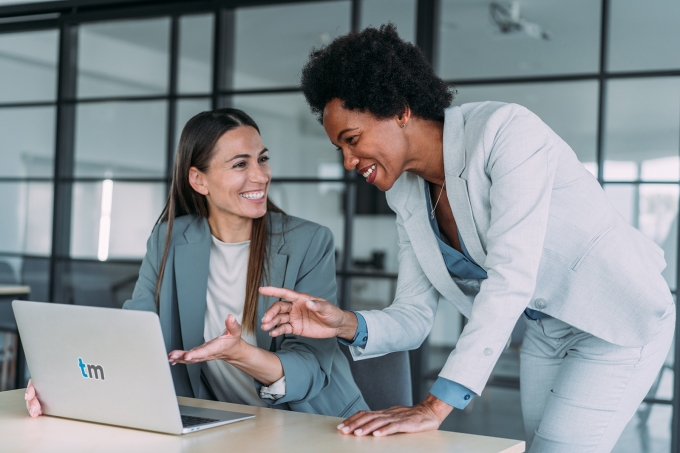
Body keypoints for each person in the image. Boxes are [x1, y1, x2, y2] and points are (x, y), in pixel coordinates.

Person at [257, 25, 676, 451]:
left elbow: (511, 277)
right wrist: (342, 323)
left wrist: (434, 406)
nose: (348, 161)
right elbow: (414, 316)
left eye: (352, 140)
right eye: (339, 149)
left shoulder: (505, 133)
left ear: (400, 110)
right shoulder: (406, 193)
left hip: (617, 314)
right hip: (546, 332)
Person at [25, 108, 368, 418]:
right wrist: (57, 382)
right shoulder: (169, 238)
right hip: (218, 423)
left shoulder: (308, 241)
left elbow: (311, 365)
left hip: (312, 422)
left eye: (262, 159)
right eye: (240, 164)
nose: (261, 176)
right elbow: (133, 334)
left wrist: (241, 354)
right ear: (198, 179)